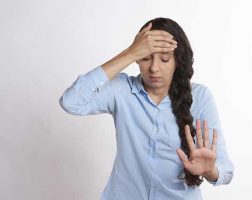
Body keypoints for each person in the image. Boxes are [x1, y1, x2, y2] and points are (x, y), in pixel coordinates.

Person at [59, 17, 234, 200]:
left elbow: (225, 169)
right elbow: (71, 102)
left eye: (164, 60)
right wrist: (129, 53)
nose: (154, 68)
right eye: (145, 58)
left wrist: (210, 171)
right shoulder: (122, 89)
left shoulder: (200, 97)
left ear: (177, 61)